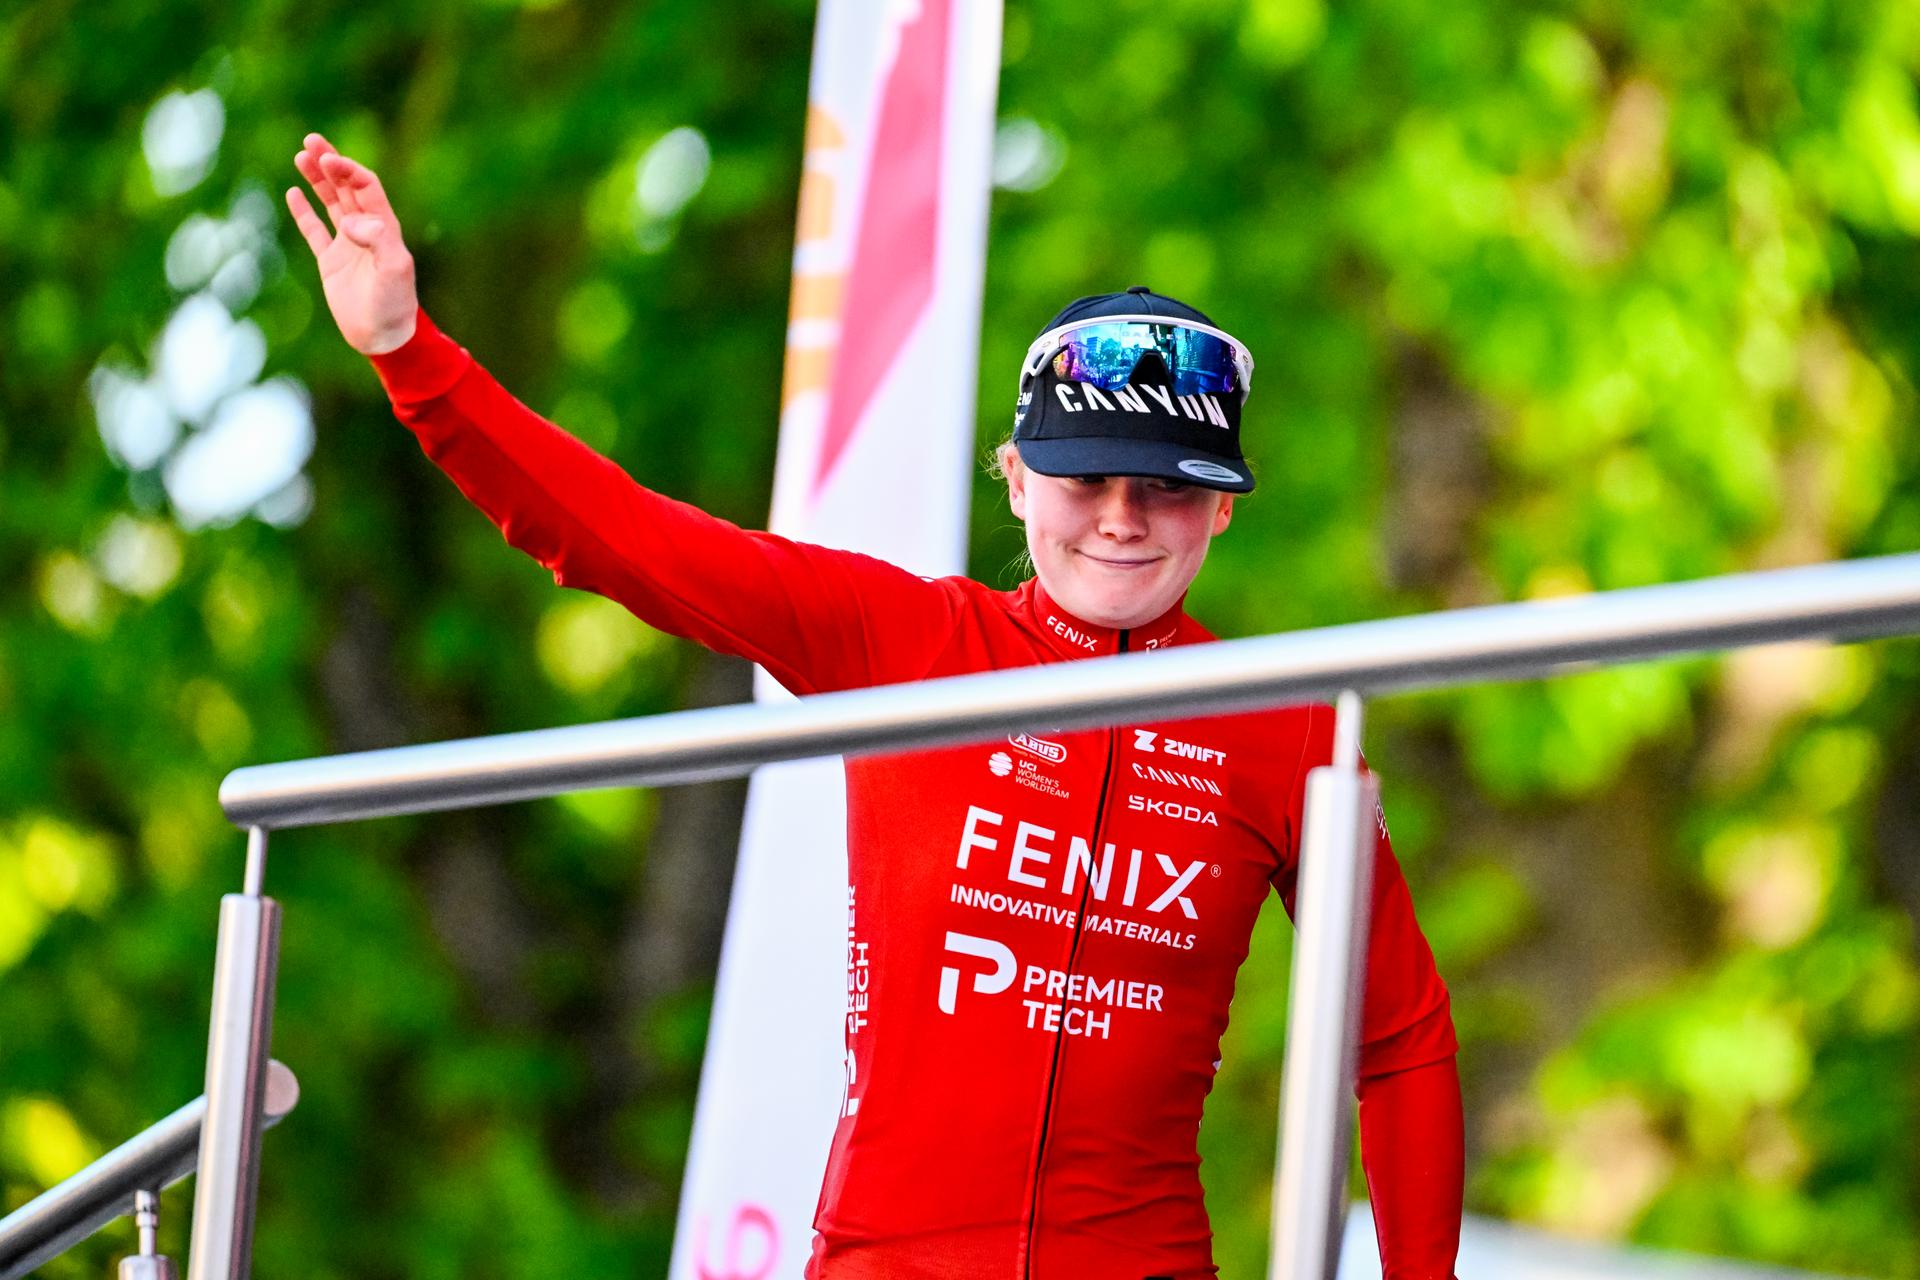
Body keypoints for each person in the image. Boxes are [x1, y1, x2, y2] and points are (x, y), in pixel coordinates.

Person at [287, 132, 1464, 1280]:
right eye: (1084, 477)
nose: (1119, 516)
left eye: (1165, 488)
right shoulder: (906, 639)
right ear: (1013, 478)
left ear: (1223, 513)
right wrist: (407, 351)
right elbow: (621, 538)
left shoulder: (1288, 721)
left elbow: (1400, 1034)